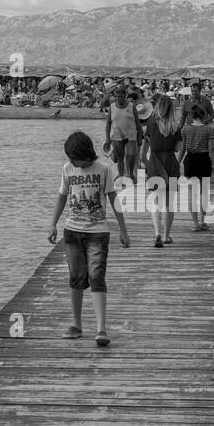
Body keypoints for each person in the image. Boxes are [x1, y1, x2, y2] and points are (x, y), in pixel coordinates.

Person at [47, 131, 129, 347]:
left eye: (74, 158)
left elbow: (114, 199)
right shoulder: (68, 169)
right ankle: (76, 324)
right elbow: (62, 196)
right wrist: (52, 224)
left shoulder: (103, 169)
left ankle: (101, 328)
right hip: (72, 231)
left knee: (96, 277)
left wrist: (123, 229)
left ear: (85, 154)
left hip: (98, 232)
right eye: (70, 158)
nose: (72, 162)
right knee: (76, 277)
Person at [140, 93, 184, 247]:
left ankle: (157, 233)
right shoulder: (175, 125)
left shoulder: (151, 123)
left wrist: (146, 162)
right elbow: (178, 149)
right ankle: (166, 236)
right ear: (171, 108)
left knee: (155, 201)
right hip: (170, 163)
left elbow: (144, 149)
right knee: (169, 203)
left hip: (155, 162)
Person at [179, 105, 214, 231]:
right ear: (203, 116)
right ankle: (203, 221)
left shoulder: (185, 129)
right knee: (204, 192)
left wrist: (177, 162)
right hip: (204, 160)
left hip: (190, 160)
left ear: (192, 116)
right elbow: (211, 149)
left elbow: (182, 149)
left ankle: (195, 223)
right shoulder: (208, 130)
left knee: (192, 193)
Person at [103, 87, 141, 180]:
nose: (119, 99)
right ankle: (120, 175)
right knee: (120, 157)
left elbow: (137, 122)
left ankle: (130, 174)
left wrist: (139, 136)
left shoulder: (131, 106)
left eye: (121, 96)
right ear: (115, 97)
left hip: (131, 135)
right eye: (118, 97)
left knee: (131, 155)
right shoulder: (112, 107)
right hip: (117, 135)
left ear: (125, 96)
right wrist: (107, 139)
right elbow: (108, 123)